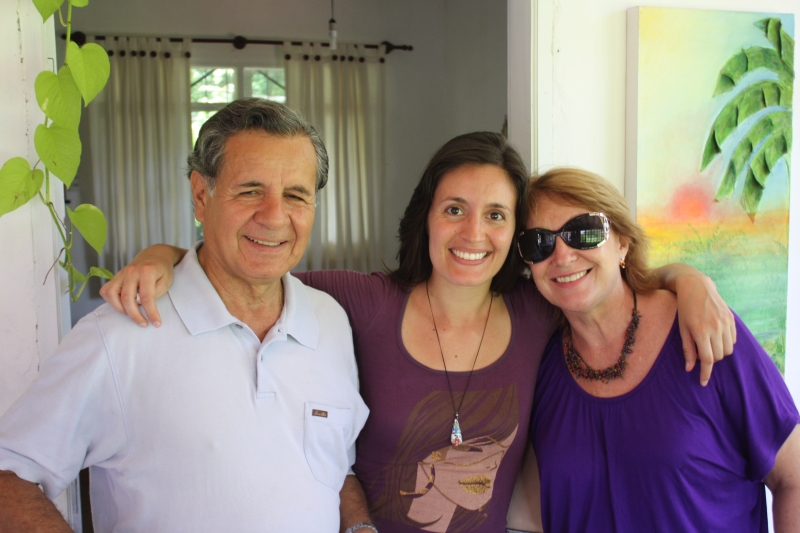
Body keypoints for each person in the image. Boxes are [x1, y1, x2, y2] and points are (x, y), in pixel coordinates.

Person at [99, 133, 736, 532]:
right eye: (454, 209)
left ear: (516, 235)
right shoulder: (362, 301)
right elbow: (252, 264)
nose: (472, 233)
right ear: (426, 217)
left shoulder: (538, 310)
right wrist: (162, 256)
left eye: (496, 215)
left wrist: (688, 280)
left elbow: (608, 281)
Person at [0, 99, 371, 532]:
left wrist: (360, 527)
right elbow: (9, 473)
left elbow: (334, 466)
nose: (274, 217)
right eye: (250, 190)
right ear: (200, 195)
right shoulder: (121, 334)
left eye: (295, 195)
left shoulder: (330, 320)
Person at [523, 167, 800, 532]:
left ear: (622, 242)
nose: (561, 255)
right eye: (539, 242)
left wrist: (689, 279)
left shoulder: (705, 330)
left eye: (584, 232)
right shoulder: (537, 363)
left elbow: (793, 478)